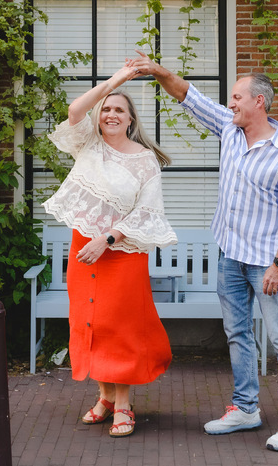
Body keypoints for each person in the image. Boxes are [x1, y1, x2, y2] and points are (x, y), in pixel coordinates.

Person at [127, 51, 278, 452]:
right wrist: (157, 70)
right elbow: (187, 95)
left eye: (236, 97)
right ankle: (245, 408)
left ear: (259, 102)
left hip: (266, 261)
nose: (230, 104)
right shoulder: (230, 130)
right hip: (230, 255)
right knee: (237, 333)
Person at [42, 64, 178, 438]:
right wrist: (116, 82)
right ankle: (104, 396)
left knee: (120, 327)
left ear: (130, 119)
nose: (111, 114)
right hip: (84, 248)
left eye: (119, 109)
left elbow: (147, 212)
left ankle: (123, 405)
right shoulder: (88, 144)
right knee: (90, 323)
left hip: (122, 251)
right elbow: (75, 110)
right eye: (106, 109)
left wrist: (108, 239)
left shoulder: (144, 160)